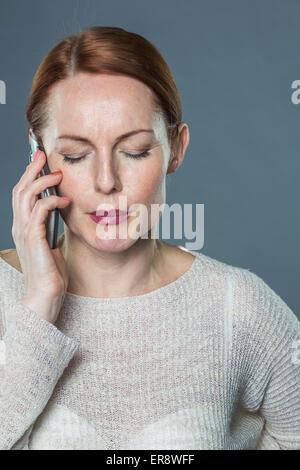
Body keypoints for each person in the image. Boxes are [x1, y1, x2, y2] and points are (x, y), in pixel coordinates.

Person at [0, 26, 299, 450]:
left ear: (176, 148)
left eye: (135, 150)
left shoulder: (239, 307)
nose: (107, 181)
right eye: (76, 155)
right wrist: (39, 304)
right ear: (38, 154)